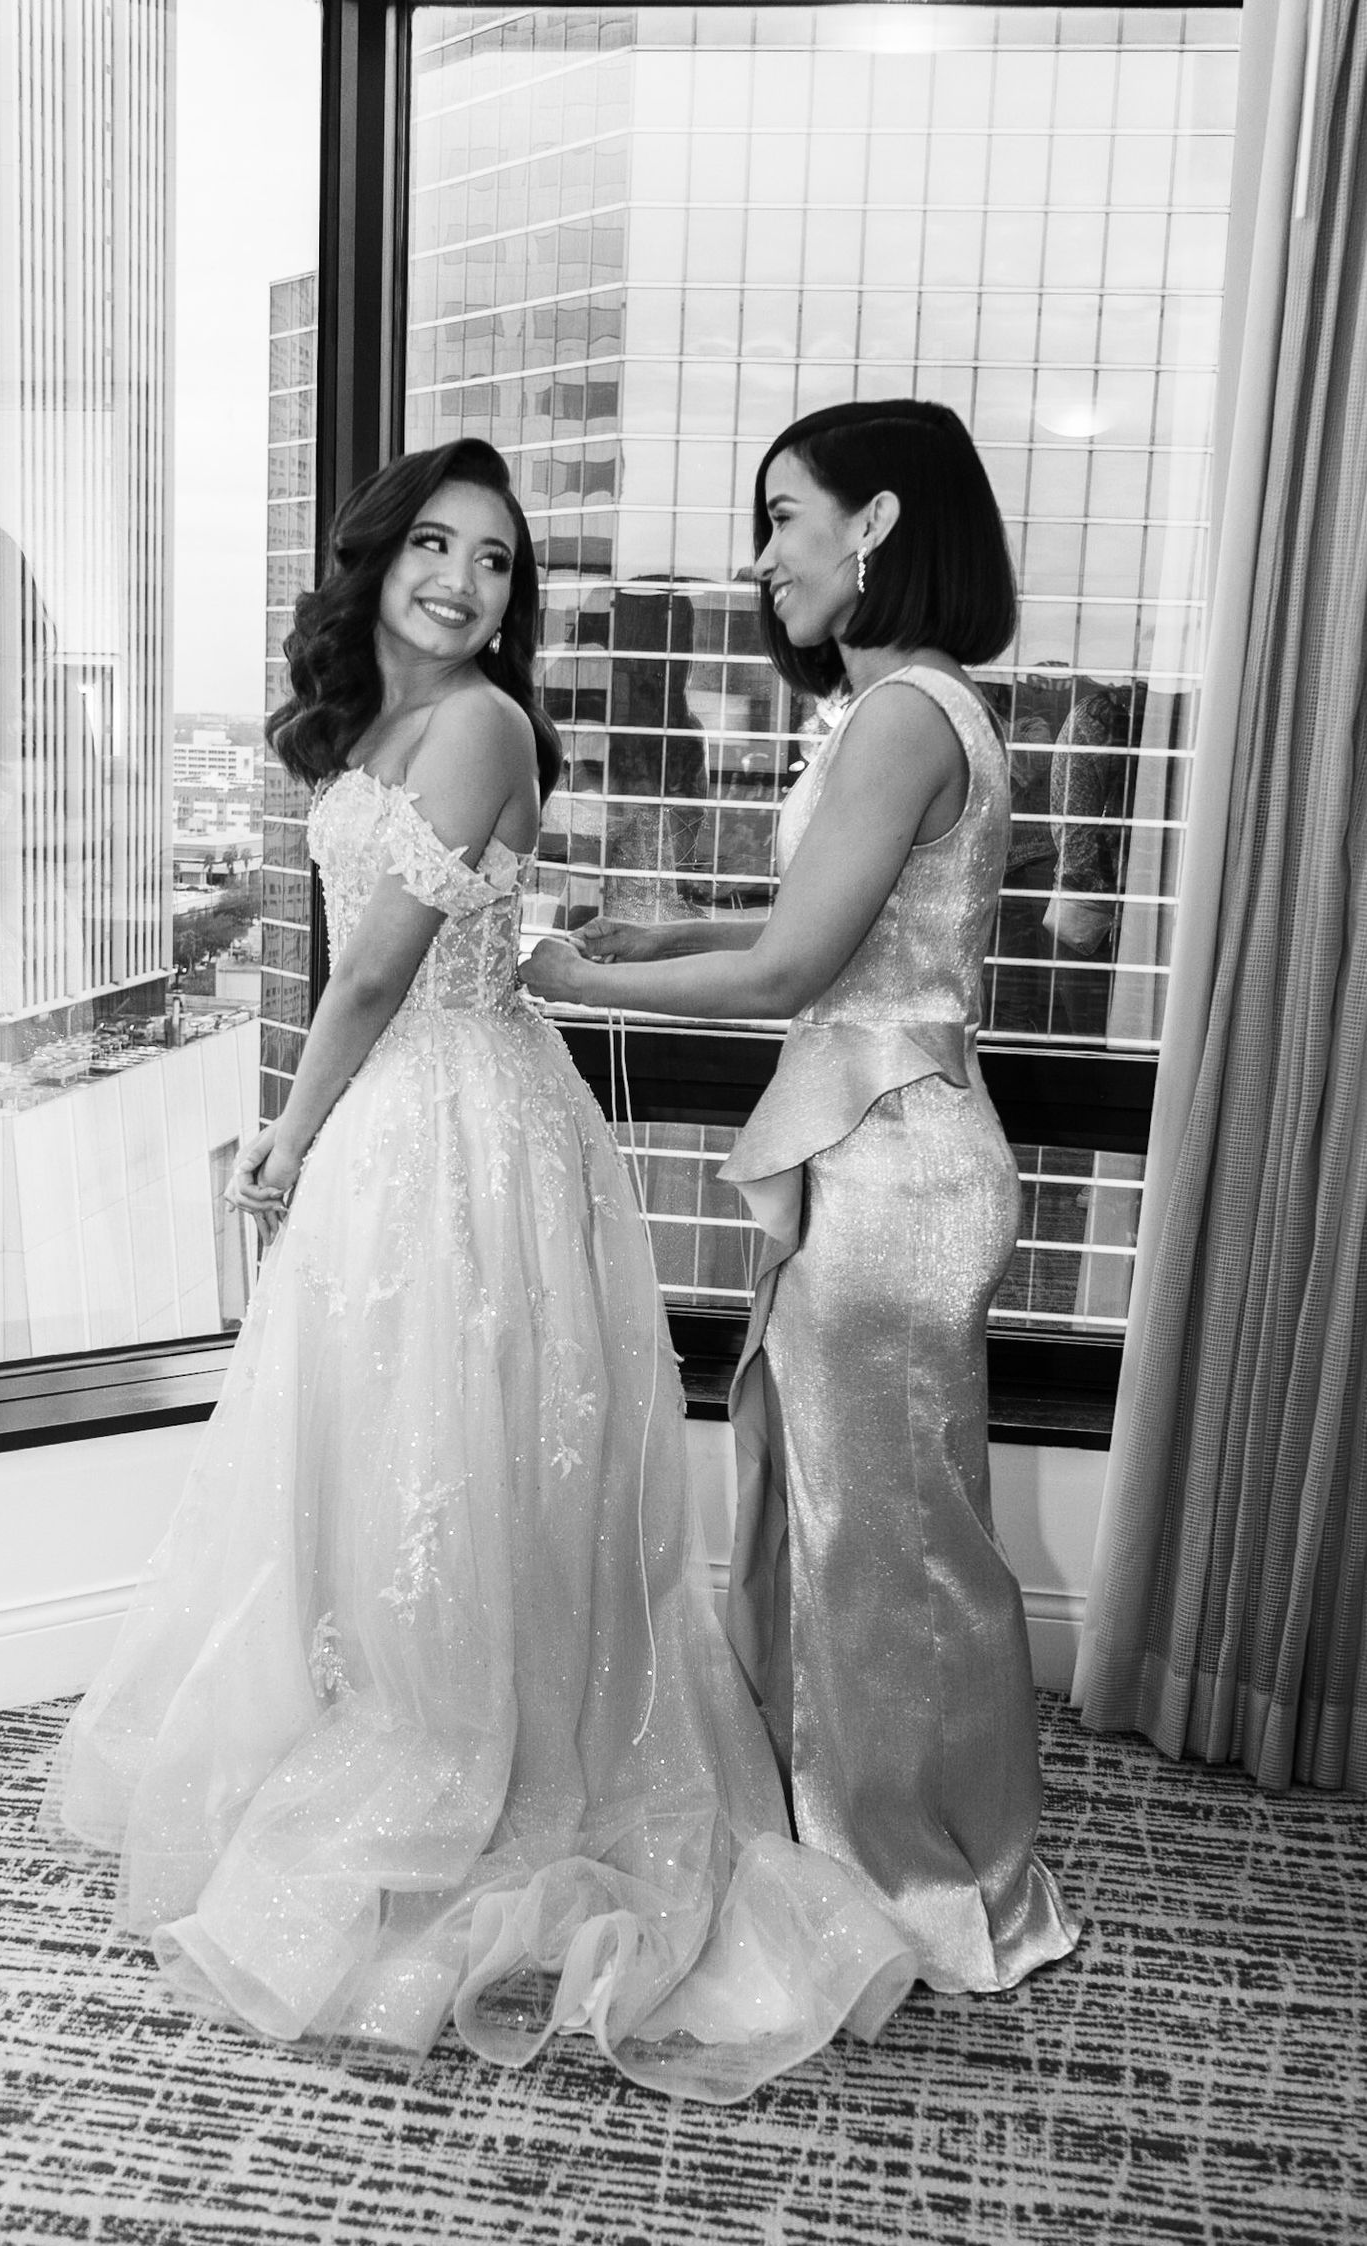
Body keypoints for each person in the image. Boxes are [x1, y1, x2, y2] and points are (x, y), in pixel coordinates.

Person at [39, 437, 917, 2104]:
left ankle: (474, 1745)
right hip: (403, 1121)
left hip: (460, 1124)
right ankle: (393, 1702)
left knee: (467, 1452)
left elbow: (374, 974)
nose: (461, 579)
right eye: (435, 545)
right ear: (378, 561)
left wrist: (287, 1137)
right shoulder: (377, 725)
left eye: (496, 559)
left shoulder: (483, 724)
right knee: (388, 1452)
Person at [525, 401, 1081, 1992]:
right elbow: (830, 927)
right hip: (882, 1143)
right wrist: (665, 930)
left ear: (878, 522)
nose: (764, 555)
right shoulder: (917, 706)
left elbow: (793, 971)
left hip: (895, 1162)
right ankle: (884, 1835)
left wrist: (579, 978)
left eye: (784, 516)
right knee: (860, 1522)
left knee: (887, 1545)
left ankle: (923, 1877)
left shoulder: (903, 712)